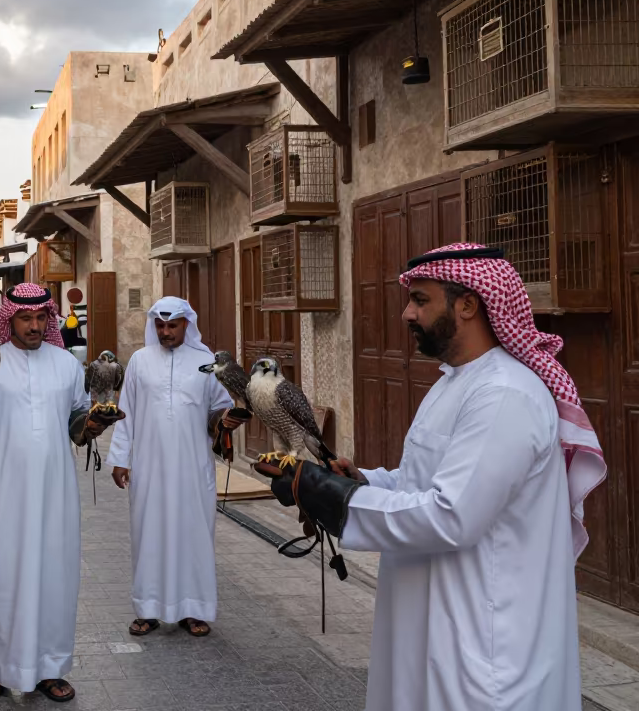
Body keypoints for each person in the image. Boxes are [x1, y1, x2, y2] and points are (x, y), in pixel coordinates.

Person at [264, 243, 607, 711]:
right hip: (434, 614)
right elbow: (423, 481)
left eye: (421, 300)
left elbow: (451, 514)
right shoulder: (456, 381)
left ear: (468, 304)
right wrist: (359, 481)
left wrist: (335, 500)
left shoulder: (505, 394)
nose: (407, 313)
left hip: (484, 636)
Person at [0, 283, 116, 704]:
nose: (34, 325)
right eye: (25, 318)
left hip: (53, 495)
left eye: (42, 317)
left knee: (54, 577)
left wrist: (91, 426)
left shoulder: (65, 363)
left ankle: (49, 667)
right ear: (9, 319)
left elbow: (76, 417)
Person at [107, 297, 241, 638]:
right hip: (148, 466)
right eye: (160, 326)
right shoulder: (139, 361)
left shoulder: (206, 362)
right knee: (148, 534)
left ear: (187, 325)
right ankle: (148, 609)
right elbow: (127, 412)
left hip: (192, 466)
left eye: (173, 326)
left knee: (193, 533)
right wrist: (121, 458)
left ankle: (193, 609)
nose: (166, 332)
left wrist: (226, 420)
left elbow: (221, 408)